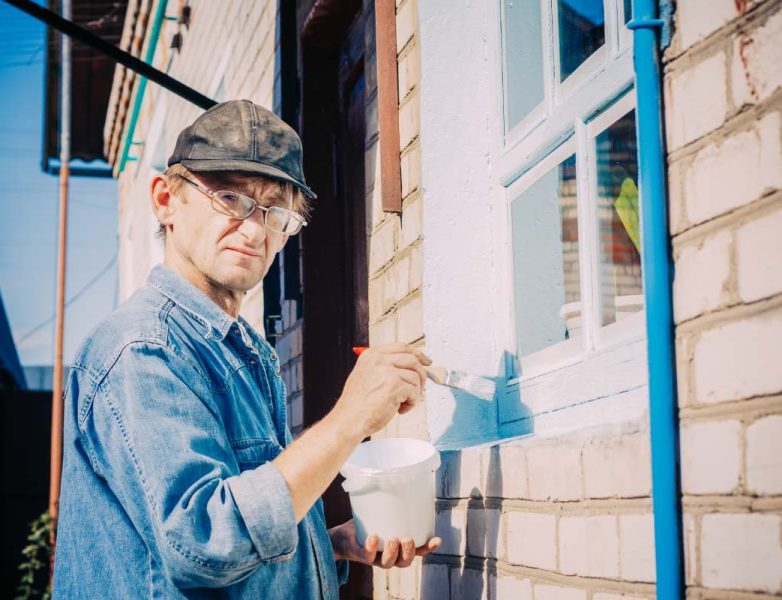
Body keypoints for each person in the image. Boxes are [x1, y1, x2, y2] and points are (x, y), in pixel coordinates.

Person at [52, 99, 440, 599]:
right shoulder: (143, 349)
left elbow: (235, 538)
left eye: (275, 212)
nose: (255, 229)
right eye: (230, 199)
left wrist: (328, 545)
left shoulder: (241, 349)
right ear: (166, 199)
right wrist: (353, 417)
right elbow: (206, 544)